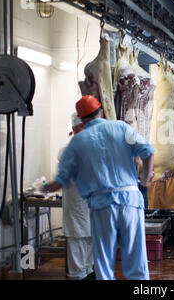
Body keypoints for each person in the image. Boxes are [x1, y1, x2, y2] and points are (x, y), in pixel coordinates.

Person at [42, 95, 155, 280]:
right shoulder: (120, 127)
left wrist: (46, 187)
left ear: (82, 119)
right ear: (101, 111)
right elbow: (148, 152)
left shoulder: (77, 142)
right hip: (130, 201)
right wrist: (145, 180)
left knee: (103, 260)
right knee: (136, 258)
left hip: (102, 205)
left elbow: (60, 180)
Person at [60, 113, 94, 280]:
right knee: (77, 244)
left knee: (89, 246)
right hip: (76, 207)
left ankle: (86, 272)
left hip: (91, 207)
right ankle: (77, 276)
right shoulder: (67, 150)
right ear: (74, 129)